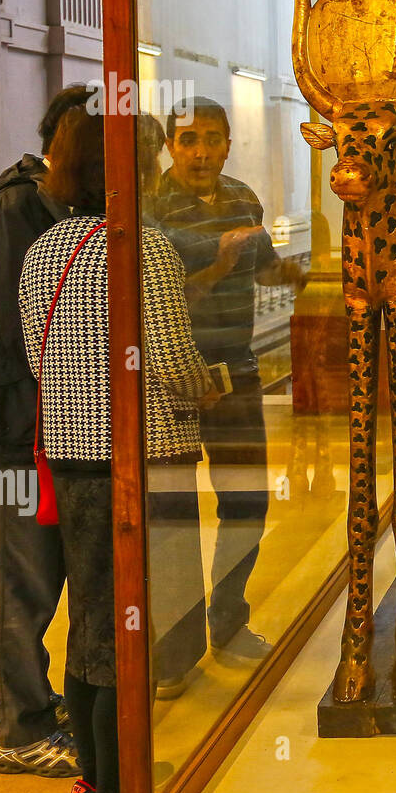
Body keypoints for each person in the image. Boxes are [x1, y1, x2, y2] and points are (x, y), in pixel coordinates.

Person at [18, 109, 218, 793]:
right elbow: (169, 360)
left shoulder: (44, 250)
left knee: (91, 620)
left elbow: (40, 363)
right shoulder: (144, 249)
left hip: (69, 459)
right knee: (125, 632)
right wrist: (214, 384)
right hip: (134, 463)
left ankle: (89, 781)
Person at [0, 84, 93, 777]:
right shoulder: (16, 207)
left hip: (38, 418)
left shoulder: (53, 205)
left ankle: (28, 701)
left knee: (41, 573)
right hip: (11, 425)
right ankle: (18, 728)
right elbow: (21, 329)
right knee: (23, 576)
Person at [154, 98, 304, 667]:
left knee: (246, 498)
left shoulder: (243, 198)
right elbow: (163, 298)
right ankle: (173, 647)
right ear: (170, 145)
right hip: (172, 381)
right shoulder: (150, 207)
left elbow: (264, 266)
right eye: (188, 139)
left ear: (228, 142)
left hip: (236, 373)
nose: (201, 151)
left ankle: (228, 620)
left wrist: (298, 276)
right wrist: (217, 262)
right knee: (172, 513)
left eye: (212, 138)